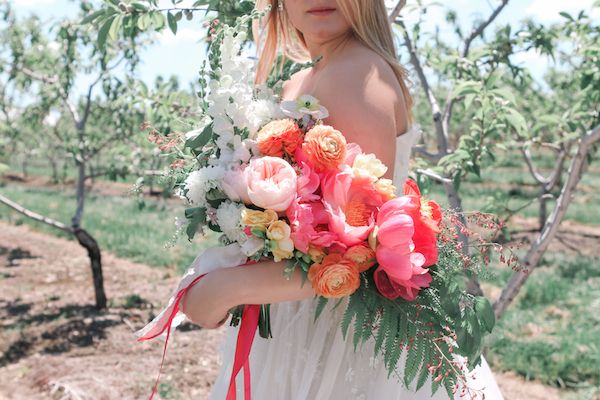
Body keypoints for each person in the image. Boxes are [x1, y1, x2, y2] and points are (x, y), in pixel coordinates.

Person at [181, 1, 504, 398]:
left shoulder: (356, 73)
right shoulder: (302, 82)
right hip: (302, 316)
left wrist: (222, 291)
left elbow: (358, 255)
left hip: (343, 331)